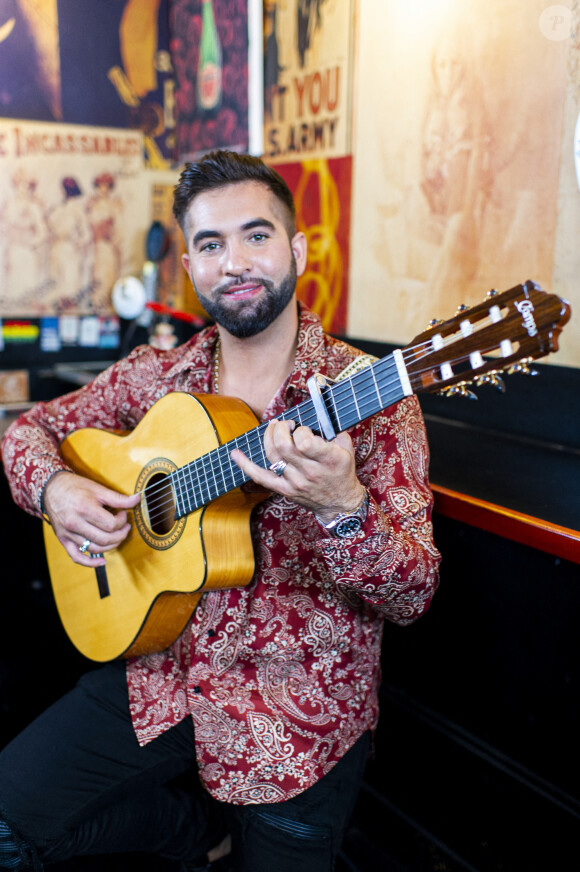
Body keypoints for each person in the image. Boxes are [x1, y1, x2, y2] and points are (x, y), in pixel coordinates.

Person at [0, 150, 441, 871]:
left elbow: (414, 591)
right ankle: (189, 830)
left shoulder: (371, 395)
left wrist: (343, 506)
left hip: (296, 721)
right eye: (211, 244)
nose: (234, 261)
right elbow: (28, 432)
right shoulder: (155, 376)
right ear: (189, 264)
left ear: (295, 248)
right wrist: (57, 490)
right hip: (161, 677)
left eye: (256, 235)